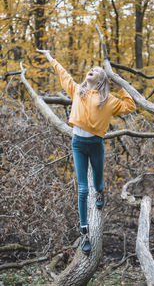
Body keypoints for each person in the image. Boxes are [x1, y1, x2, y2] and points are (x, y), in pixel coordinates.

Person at [36, 49, 136, 255]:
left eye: (97, 70)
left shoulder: (108, 100)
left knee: (97, 182)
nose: (92, 69)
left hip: (96, 144)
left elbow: (131, 105)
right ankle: (84, 233)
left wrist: (120, 85)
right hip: (78, 144)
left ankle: (100, 191)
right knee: (82, 189)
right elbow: (63, 73)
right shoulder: (76, 91)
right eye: (91, 69)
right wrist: (49, 56)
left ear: (101, 80)